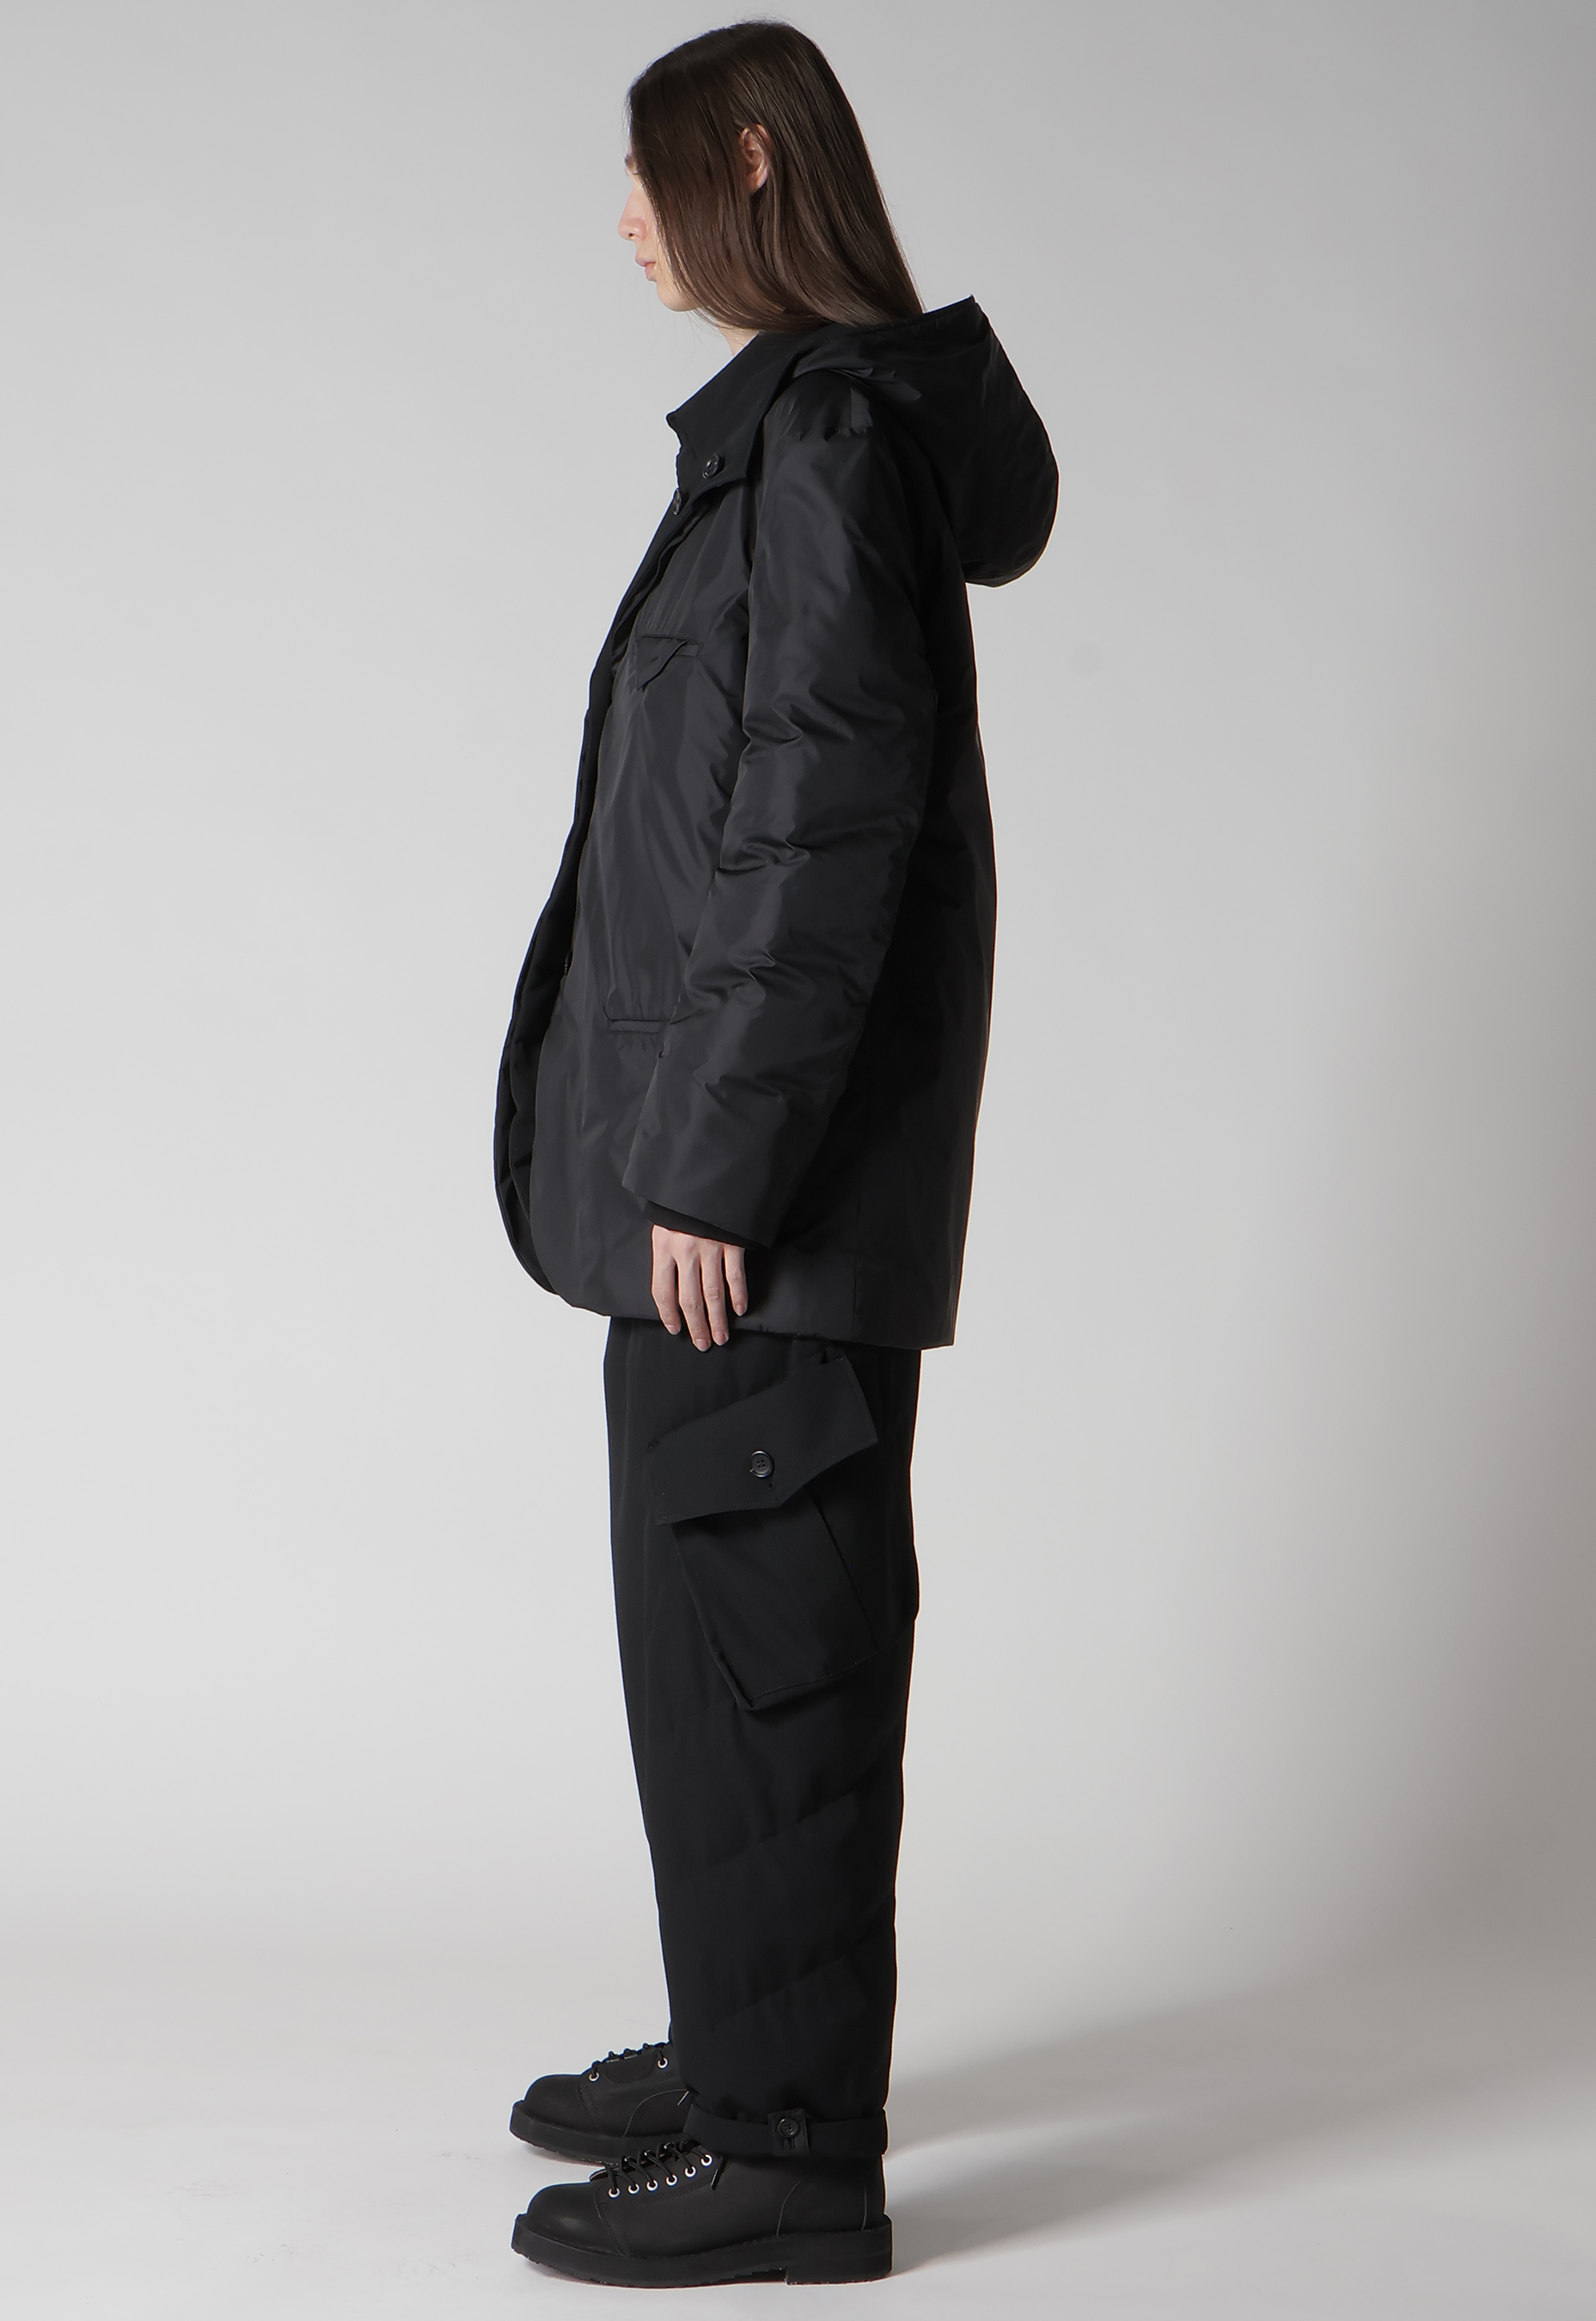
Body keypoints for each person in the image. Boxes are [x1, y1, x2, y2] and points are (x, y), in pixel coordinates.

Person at [494, 20, 1056, 2289]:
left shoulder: (821, 444)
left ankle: (790, 2147)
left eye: (646, 173)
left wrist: (715, 1170)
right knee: (720, 1643)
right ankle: (750, 2043)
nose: (621, 219)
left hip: (759, 1209)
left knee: (769, 1652)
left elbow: (816, 835)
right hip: (731, 1190)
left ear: (746, 160)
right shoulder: (794, 440)